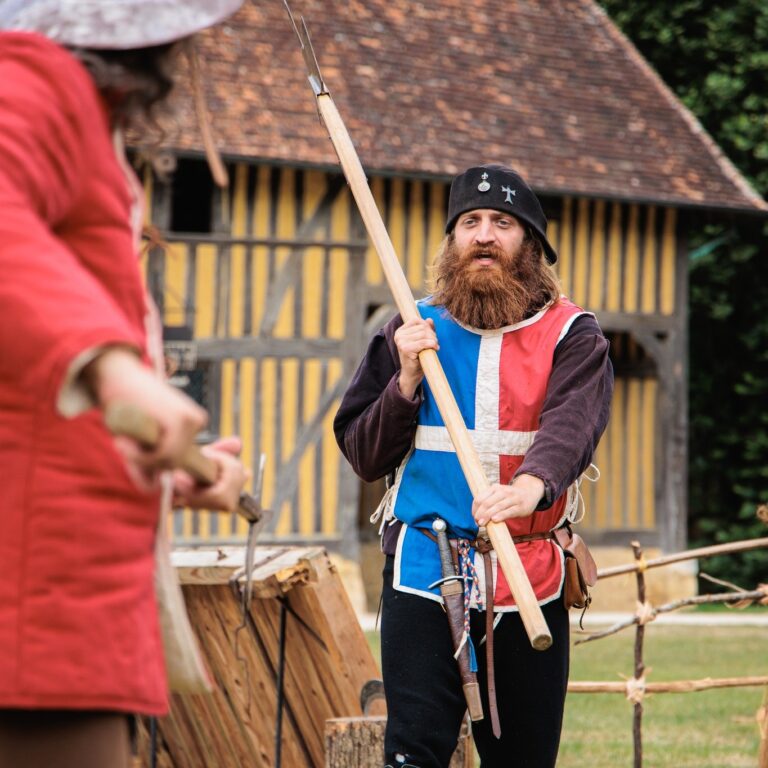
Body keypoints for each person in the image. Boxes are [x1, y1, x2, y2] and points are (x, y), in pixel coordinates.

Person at [0, 2, 248, 767]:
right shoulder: (34, 77)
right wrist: (112, 367)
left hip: (61, 607)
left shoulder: (71, 107)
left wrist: (170, 477)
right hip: (36, 617)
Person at [334, 164, 613, 768]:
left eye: (503, 223)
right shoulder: (410, 328)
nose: (484, 235)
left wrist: (531, 486)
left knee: (522, 758)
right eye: (470, 222)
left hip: (527, 570)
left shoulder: (573, 335)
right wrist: (406, 380)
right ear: (452, 240)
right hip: (423, 570)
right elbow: (362, 453)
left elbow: (573, 425)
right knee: (412, 755)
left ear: (531, 244)